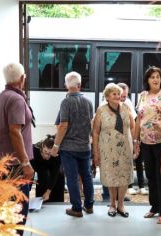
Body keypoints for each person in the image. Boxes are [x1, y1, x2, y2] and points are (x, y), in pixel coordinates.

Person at [0, 62, 34, 235]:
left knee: (5, 208)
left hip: (1, 160)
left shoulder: (0, 97)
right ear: (22, 78)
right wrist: (25, 163)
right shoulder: (16, 99)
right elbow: (15, 132)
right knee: (17, 210)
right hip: (15, 164)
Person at [134, 66, 161, 224]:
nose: (156, 79)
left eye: (158, 76)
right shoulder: (143, 95)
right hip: (146, 142)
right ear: (147, 80)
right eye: (152, 77)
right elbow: (139, 119)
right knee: (150, 176)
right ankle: (154, 207)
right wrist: (136, 140)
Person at [51, 71, 94, 218]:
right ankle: (89, 205)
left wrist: (55, 146)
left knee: (72, 178)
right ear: (80, 85)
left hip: (69, 148)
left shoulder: (66, 102)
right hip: (85, 147)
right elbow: (91, 124)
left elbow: (63, 125)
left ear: (66, 86)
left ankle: (76, 208)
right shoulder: (88, 102)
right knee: (87, 176)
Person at [93, 83, 135, 217]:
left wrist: (134, 143)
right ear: (107, 97)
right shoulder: (101, 110)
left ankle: (121, 205)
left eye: (119, 94)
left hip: (125, 148)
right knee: (111, 175)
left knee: (124, 175)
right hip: (107, 148)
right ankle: (112, 204)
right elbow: (95, 132)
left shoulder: (126, 107)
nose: (118, 96)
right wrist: (96, 152)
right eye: (114, 94)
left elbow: (132, 126)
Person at [117, 82, 148, 196]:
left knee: (138, 160)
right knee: (127, 162)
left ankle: (141, 186)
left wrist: (136, 139)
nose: (124, 98)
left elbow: (135, 121)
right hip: (120, 138)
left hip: (132, 135)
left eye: (126, 96)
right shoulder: (111, 103)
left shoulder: (128, 102)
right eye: (122, 96)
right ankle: (129, 186)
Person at [30, 135, 65, 202]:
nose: (46, 156)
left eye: (49, 153)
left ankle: (57, 201)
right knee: (43, 175)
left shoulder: (57, 154)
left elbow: (55, 173)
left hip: (52, 164)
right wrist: (27, 189)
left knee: (60, 175)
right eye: (45, 152)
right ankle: (40, 200)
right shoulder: (34, 150)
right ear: (42, 147)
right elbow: (31, 171)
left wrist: (48, 192)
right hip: (38, 164)